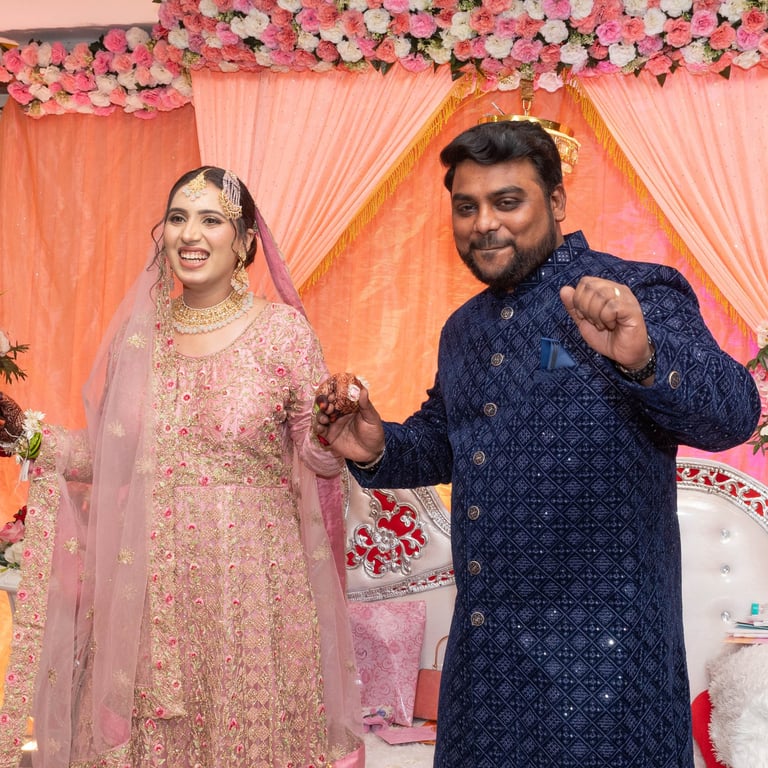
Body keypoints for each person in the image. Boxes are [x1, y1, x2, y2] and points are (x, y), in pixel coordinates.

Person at [313, 121, 761, 767]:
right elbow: (446, 440)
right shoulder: (464, 328)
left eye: (507, 201)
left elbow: (733, 417)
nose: (484, 224)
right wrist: (376, 445)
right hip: (485, 663)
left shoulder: (633, 292)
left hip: (605, 667)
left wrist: (643, 356)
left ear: (555, 201)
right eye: (466, 206)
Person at [0, 167, 363, 768]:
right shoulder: (139, 338)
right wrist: (29, 439)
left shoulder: (283, 334)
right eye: (177, 218)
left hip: (254, 590)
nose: (189, 234)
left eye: (211, 219)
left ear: (245, 241)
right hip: (150, 588)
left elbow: (316, 457)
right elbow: (112, 454)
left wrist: (335, 428)